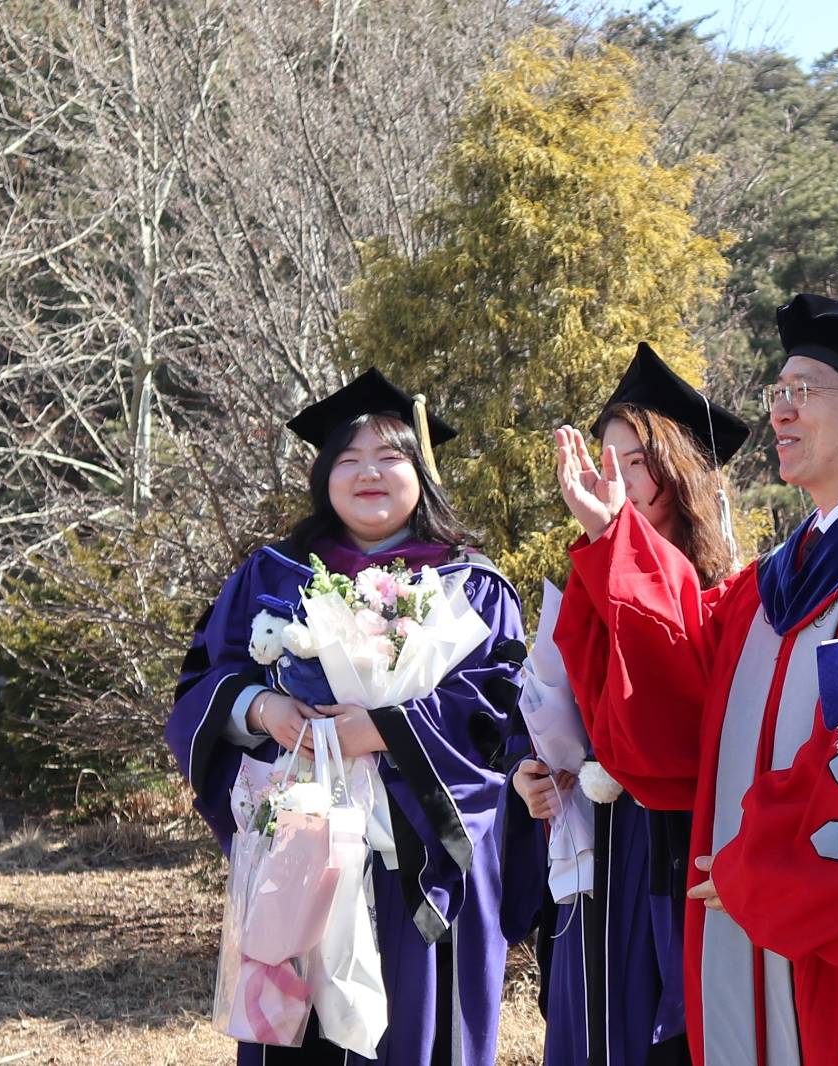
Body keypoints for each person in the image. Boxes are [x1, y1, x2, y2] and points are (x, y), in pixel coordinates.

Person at [553, 295, 838, 1066]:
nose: (779, 412)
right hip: (737, 920)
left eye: (803, 392)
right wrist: (614, 540)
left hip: (833, 957)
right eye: (777, 393)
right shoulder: (766, 586)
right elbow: (679, 695)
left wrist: (756, 867)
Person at [166, 368, 524, 1066]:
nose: (369, 473)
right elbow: (203, 683)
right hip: (302, 850)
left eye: (390, 457)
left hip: (420, 856)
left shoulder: (470, 584)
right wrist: (260, 708)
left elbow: (501, 716)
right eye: (348, 458)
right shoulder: (270, 578)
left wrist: (385, 730)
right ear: (323, 474)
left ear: (422, 473)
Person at [499, 341, 749, 1066]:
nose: (615, 477)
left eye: (636, 460)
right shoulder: (587, 581)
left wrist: (615, 538)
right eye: (605, 456)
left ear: (681, 469)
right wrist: (532, 775)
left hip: (673, 857)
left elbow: (673, 711)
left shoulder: (729, 591)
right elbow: (552, 711)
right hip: (594, 853)